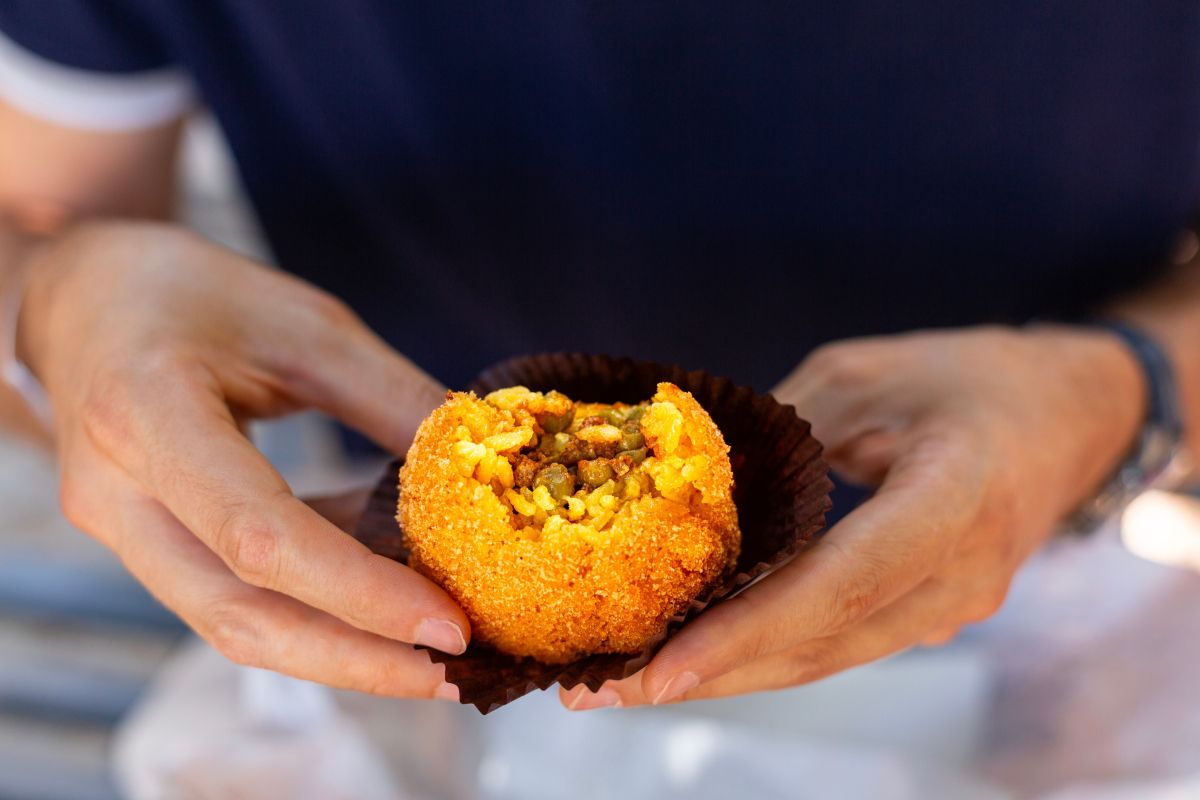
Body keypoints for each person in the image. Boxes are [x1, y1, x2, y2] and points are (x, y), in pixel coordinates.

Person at [0, 2, 1197, 712]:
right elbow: (36, 216)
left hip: (1058, 567)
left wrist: (1126, 387)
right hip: (384, 603)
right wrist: (48, 304)